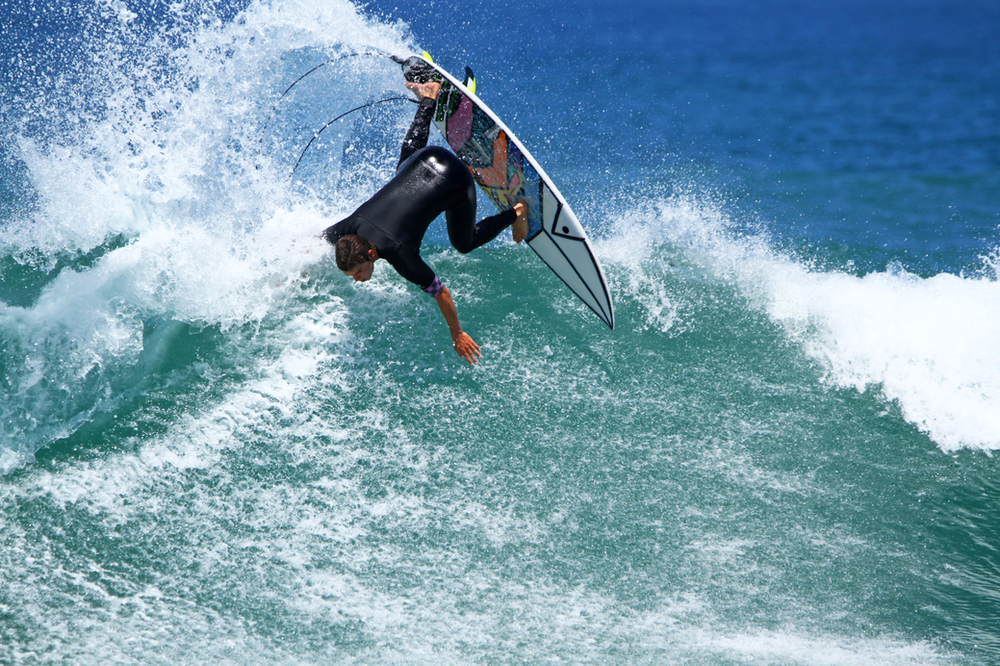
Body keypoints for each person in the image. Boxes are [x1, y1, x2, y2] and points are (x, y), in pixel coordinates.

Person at [322, 78, 528, 365]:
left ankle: (517, 212)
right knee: (400, 170)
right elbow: (322, 237)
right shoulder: (354, 226)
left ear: (371, 254)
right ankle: (429, 98)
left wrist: (457, 334)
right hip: (429, 155)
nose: (357, 279)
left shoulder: (399, 255)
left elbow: (441, 293)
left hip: (457, 179)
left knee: (464, 243)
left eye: (357, 271)